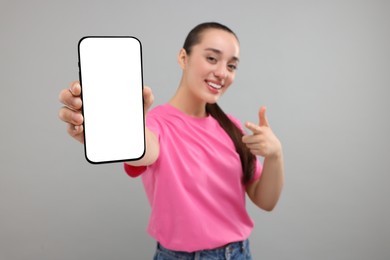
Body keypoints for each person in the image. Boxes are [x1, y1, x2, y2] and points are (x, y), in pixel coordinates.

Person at [59, 22, 284, 260]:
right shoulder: (155, 124)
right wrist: (118, 129)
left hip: (239, 253)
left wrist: (275, 155)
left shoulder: (233, 127)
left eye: (231, 65)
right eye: (211, 58)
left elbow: (265, 200)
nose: (222, 72)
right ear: (183, 57)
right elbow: (144, 148)